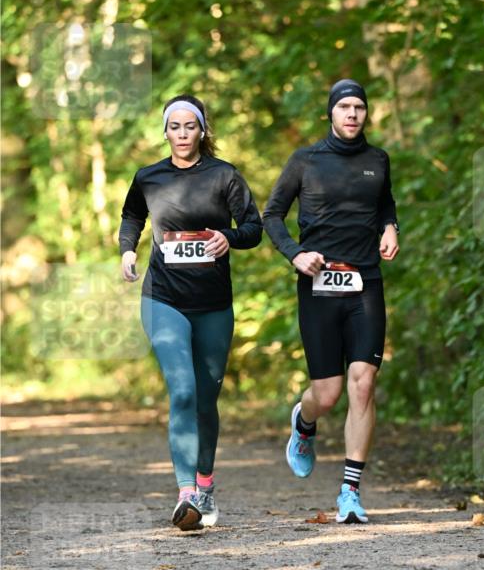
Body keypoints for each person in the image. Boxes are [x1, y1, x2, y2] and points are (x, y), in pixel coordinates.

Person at [119, 94, 262, 530]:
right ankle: (185, 494)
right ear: (165, 131)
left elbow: (253, 228)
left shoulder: (225, 176)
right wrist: (128, 250)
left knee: (206, 398)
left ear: (203, 131)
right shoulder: (149, 176)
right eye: (174, 127)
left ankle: (205, 484)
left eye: (190, 127)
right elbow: (132, 215)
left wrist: (228, 238)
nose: (182, 134)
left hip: (213, 304)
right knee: (182, 390)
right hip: (163, 298)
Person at [263, 79, 399, 524]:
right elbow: (271, 215)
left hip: (366, 283)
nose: (353, 114)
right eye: (345, 107)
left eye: (360, 107)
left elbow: (384, 205)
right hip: (319, 285)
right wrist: (296, 253)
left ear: (366, 114)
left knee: (363, 382)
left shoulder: (378, 160)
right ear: (331, 114)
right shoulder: (305, 161)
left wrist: (390, 226)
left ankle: (350, 492)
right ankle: (304, 424)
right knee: (329, 393)